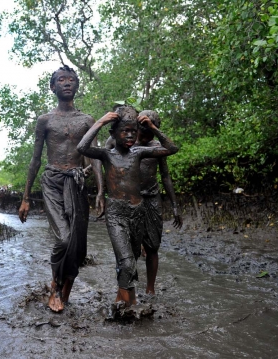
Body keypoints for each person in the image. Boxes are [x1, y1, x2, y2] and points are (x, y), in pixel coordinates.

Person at [18, 65, 106, 312]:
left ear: (77, 86)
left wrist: (100, 190)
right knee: (64, 239)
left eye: (71, 80)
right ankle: (55, 287)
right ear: (53, 86)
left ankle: (66, 290)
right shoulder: (45, 120)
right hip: (53, 181)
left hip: (77, 182)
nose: (67, 83)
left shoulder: (87, 120)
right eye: (61, 80)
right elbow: (35, 159)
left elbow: (93, 157)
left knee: (78, 246)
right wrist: (25, 197)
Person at [77, 106, 178, 307]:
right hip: (116, 213)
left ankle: (125, 298)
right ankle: (129, 303)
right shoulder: (106, 154)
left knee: (131, 259)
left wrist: (153, 128)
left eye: (134, 131)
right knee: (126, 260)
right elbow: (82, 147)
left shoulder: (139, 152)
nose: (130, 135)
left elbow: (172, 148)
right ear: (113, 134)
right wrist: (100, 121)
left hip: (138, 211)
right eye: (125, 131)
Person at [105, 110, 183, 295]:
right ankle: (125, 288)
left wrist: (174, 206)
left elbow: (165, 175)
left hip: (152, 198)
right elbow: (107, 152)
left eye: (150, 132)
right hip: (129, 200)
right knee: (127, 249)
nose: (146, 136)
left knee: (153, 246)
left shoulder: (156, 146)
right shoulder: (127, 144)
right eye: (143, 130)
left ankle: (150, 288)